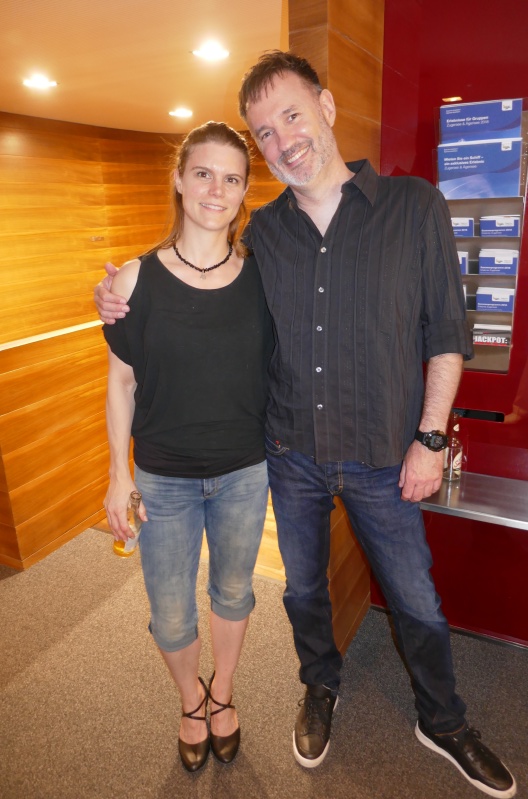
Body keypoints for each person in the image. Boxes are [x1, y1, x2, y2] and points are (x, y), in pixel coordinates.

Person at [96, 53, 516, 797]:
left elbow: (446, 334)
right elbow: (188, 289)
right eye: (264, 131)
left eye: (291, 115)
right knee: (302, 593)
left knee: (416, 599)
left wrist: (430, 439)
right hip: (289, 454)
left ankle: (443, 720)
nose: (282, 139)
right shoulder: (264, 234)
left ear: (325, 107)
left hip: (386, 454)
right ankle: (320, 686)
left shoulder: (413, 206)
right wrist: (116, 294)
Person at [103, 121, 273, 773]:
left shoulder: (263, 277)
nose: (216, 190)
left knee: (234, 593)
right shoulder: (133, 280)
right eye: (203, 173)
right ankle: (190, 699)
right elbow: (121, 383)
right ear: (178, 179)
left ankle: (222, 692)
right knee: (171, 615)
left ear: (245, 191)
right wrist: (118, 475)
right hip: (164, 477)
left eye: (232, 178)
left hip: (244, 472)